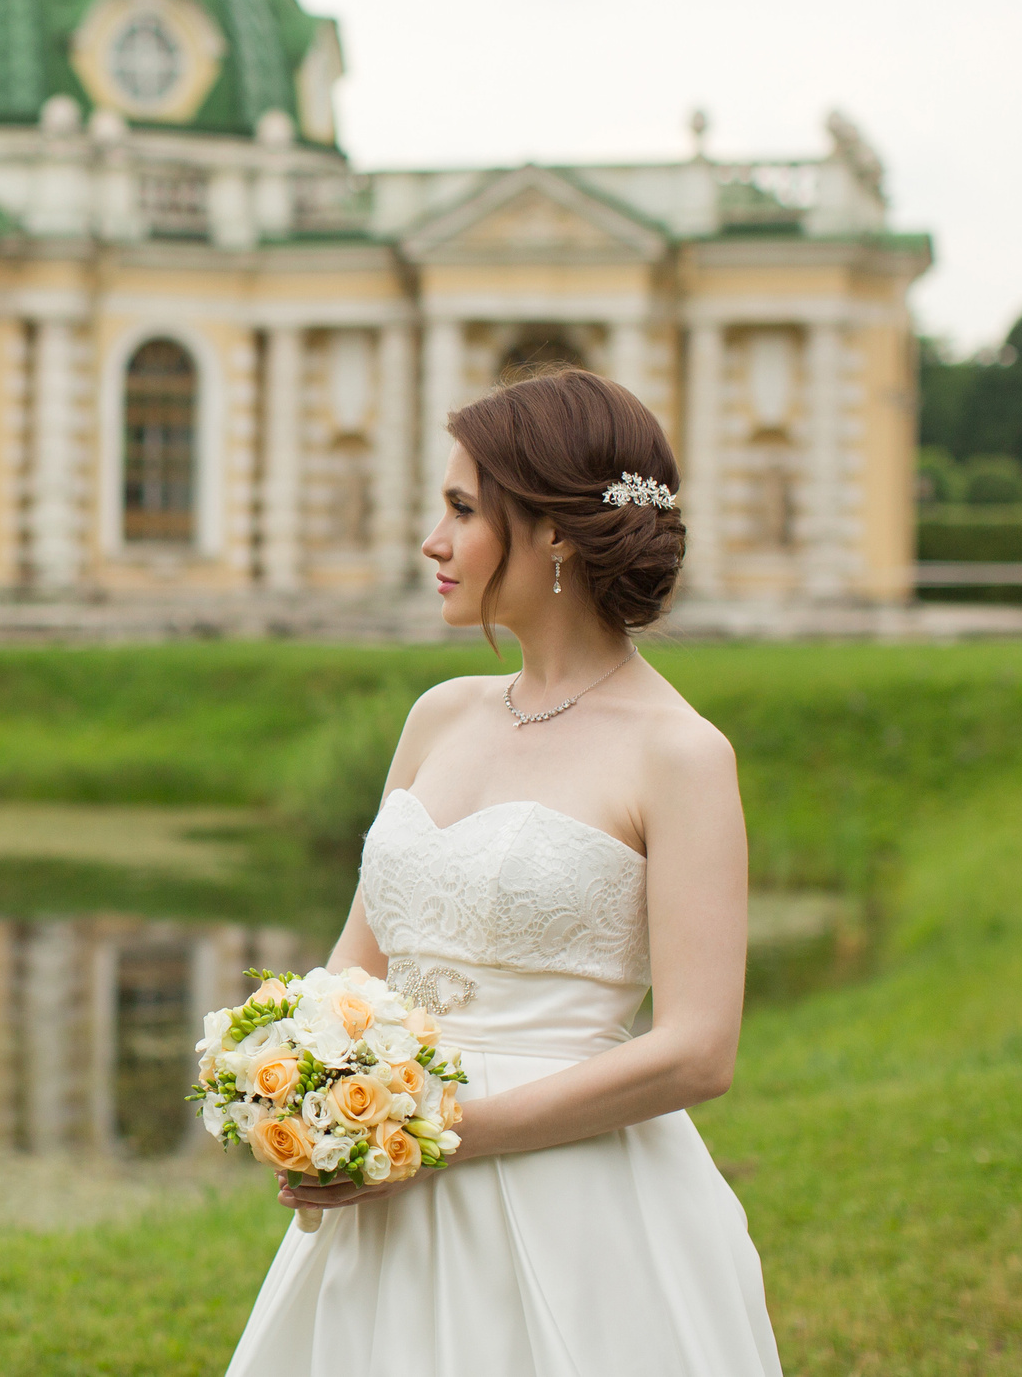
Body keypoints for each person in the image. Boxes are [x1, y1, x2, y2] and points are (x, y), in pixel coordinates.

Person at [225, 367, 783, 1377]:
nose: (431, 542)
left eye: (460, 509)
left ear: (556, 531)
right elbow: (356, 967)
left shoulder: (680, 754)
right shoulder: (439, 714)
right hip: (384, 1194)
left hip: (570, 1200)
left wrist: (439, 1135)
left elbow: (698, 1052)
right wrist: (298, 1089)